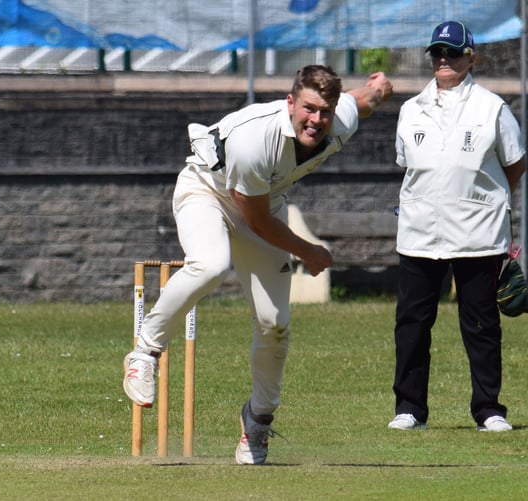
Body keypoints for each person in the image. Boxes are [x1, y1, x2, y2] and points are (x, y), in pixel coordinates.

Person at [123, 65, 393, 464]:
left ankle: (257, 421)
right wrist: (309, 251)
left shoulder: (338, 121)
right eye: (308, 109)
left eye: (325, 111)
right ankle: (146, 351)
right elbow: (257, 221)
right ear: (290, 103)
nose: (316, 120)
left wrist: (380, 87)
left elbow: (362, 100)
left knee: (275, 323)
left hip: (262, 205)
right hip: (208, 192)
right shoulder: (255, 140)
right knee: (212, 264)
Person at [389, 21, 527, 433]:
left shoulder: (493, 108)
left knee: (481, 323)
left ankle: (489, 410)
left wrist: (488, 202)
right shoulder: (410, 109)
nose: (443, 60)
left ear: (471, 57)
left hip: (477, 233)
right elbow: (406, 166)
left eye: (451, 52)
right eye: (437, 53)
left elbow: (515, 164)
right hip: (419, 233)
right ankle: (409, 409)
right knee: (412, 324)